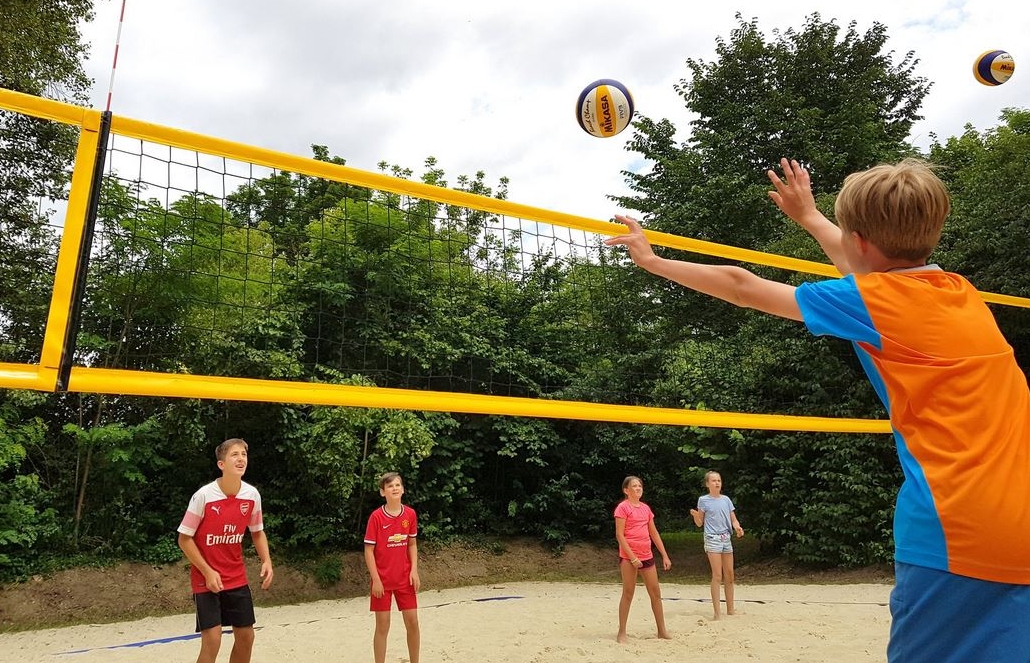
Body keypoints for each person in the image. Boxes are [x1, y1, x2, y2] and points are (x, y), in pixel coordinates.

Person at [605, 157, 1030, 663]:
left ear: (859, 241)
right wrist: (809, 217)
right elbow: (864, 265)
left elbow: (742, 286)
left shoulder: (878, 302)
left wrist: (653, 262)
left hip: (957, 525)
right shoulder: (961, 294)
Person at [177, 437, 274, 663]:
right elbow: (184, 539)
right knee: (213, 639)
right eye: (234, 454)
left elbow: (257, 532)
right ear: (221, 464)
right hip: (206, 578)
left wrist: (266, 560)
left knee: (246, 637)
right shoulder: (204, 496)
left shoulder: (252, 495)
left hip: (236, 576)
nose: (241, 459)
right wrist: (207, 571)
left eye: (244, 454)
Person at [364, 471, 421, 663]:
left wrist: (414, 570)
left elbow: (412, 544)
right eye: (390, 486)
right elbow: (368, 551)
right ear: (383, 492)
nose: (394, 488)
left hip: (405, 578)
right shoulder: (376, 517)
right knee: (382, 625)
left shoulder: (410, 514)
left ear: (403, 489)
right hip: (382, 580)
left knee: (413, 622)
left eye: (397, 485)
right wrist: (376, 580)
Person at [614, 475, 672, 643]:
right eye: (634, 486)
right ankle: (622, 632)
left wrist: (664, 555)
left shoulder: (646, 508)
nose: (638, 488)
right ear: (626, 490)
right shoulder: (623, 508)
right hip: (629, 556)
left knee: (655, 593)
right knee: (628, 592)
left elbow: (654, 533)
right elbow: (619, 535)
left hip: (646, 555)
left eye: (640, 485)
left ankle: (661, 631)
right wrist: (632, 558)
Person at [690, 470, 744, 620]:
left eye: (718, 480)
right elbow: (700, 523)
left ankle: (730, 609)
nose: (717, 483)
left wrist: (738, 527)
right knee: (717, 575)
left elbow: (733, 519)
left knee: (730, 575)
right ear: (707, 484)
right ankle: (717, 612)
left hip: (726, 538)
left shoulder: (726, 500)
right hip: (712, 538)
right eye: (713, 481)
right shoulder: (703, 500)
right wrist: (695, 516)